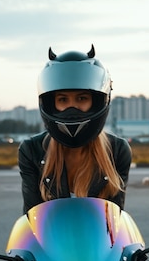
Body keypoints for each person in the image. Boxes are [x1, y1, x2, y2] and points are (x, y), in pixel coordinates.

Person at [18, 45, 132, 213]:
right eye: (63, 100)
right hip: (51, 239)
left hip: (97, 239)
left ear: (97, 101)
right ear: (51, 104)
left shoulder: (117, 151)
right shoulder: (31, 150)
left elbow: (115, 222)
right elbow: (32, 220)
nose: (73, 108)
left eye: (82, 98)